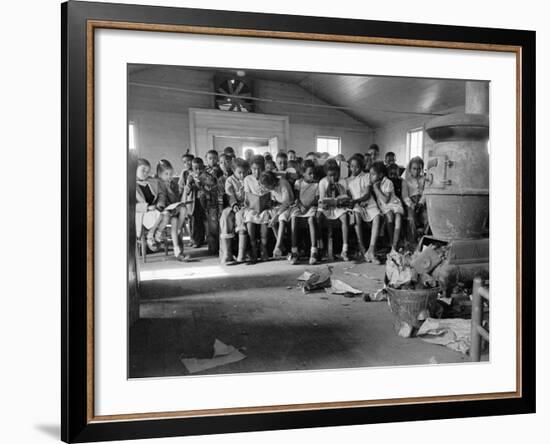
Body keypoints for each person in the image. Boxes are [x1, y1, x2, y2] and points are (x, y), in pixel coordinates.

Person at [346, 155, 381, 264]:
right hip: (357, 206)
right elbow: (349, 196)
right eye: (352, 166)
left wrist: (357, 201)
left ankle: (371, 249)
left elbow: (367, 194)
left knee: (377, 216)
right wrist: (353, 202)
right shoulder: (347, 181)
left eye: (356, 167)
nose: (354, 169)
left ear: (361, 167)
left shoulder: (366, 176)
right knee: (356, 215)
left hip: (369, 203)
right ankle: (362, 248)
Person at [154, 159, 191, 261]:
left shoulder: (173, 183)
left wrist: (184, 191)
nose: (169, 176)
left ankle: (177, 252)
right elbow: (159, 199)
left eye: (171, 173)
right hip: (163, 210)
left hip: (173, 209)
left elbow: (178, 200)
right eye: (166, 174)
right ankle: (178, 247)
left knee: (177, 217)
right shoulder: (157, 183)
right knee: (181, 210)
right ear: (159, 174)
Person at [318, 162, 351, 261]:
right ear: (326, 174)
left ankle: (344, 249)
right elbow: (321, 199)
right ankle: (320, 246)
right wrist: (323, 204)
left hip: (339, 208)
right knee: (318, 216)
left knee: (344, 217)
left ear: (338, 173)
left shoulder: (343, 181)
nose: (333, 178)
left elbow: (346, 198)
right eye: (330, 176)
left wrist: (342, 196)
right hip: (327, 208)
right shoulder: (323, 182)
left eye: (335, 175)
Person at [288, 160, 319, 265]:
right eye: (310, 173)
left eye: (313, 173)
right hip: (300, 206)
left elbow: (316, 199)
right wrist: (301, 206)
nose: (312, 175)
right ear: (303, 173)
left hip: (311, 207)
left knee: (311, 219)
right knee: (294, 218)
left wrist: (308, 206)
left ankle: (313, 251)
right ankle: (294, 251)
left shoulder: (316, 184)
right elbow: (296, 196)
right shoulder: (299, 182)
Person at [370, 161, 404, 252]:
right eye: (370, 174)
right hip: (384, 207)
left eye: (373, 174)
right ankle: (392, 242)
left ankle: (395, 245)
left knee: (398, 217)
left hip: (393, 204)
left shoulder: (388, 182)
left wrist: (376, 188)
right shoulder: (372, 184)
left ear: (380, 175)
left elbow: (386, 200)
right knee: (389, 216)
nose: (370, 176)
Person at [219, 158, 249, 264]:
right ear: (233, 170)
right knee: (225, 215)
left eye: (244, 172)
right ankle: (227, 253)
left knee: (240, 216)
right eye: (239, 172)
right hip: (233, 205)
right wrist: (234, 204)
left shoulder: (249, 179)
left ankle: (241, 253)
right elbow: (230, 194)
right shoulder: (230, 180)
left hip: (247, 206)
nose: (242, 175)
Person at [243, 155, 272, 263]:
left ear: (263, 168)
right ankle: (253, 246)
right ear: (251, 169)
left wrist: (267, 201)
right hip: (252, 206)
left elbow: (270, 192)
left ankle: (263, 247)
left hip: (265, 206)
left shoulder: (267, 177)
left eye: (259, 169)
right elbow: (247, 196)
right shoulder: (247, 179)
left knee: (265, 215)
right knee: (250, 217)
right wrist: (250, 203)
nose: (257, 172)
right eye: (254, 169)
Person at [260, 171, 294, 259]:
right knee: (270, 219)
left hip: (289, 206)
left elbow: (287, 202)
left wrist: (277, 215)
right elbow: (274, 200)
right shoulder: (272, 188)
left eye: (268, 186)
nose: (268, 189)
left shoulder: (283, 184)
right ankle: (282, 245)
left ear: (272, 182)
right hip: (278, 207)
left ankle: (277, 246)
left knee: (281, 219)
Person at [135, 158, 163, 252]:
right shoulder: (129, 184)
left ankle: (152, 236)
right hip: (141, 212)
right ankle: (152, 237)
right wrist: (147, 207)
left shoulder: (152, 181)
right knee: (157, 216)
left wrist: (160, 204)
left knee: (166, 214)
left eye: (148, 171)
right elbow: (129, 205)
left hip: (156, 209)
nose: (146, 173)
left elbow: (161, 195)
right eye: (143, 170)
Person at [401, 156, 427, 245]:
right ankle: (413, 241)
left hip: (422, 202)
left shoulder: (424, 179)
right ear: (410, 169)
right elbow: (405, 196)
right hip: (410, 203)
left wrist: (421, 203)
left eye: (419, 169)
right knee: (411, 218)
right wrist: (412, 205)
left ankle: (424, 239)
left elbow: (425, 193)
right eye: (414, 169)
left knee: (426, 217)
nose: (416, 171)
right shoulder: (406, 181)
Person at [182, 157, 207, 248]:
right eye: (196, 168)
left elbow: (205, 187)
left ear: (203, 167)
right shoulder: (190, 176)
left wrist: (198, 183)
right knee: (193, 221)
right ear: (192, 168)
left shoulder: (205, 175)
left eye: (200, 168)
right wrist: (190, 184)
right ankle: (193, 239)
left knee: (200, 222)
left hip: (202, 202)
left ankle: (199, 240)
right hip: (193, 202)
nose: (198, 170)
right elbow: (187, 190)